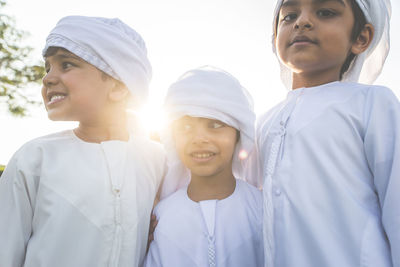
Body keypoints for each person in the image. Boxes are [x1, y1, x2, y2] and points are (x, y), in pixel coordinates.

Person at [0, 16, 165, 267]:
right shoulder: (34, 158)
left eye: (66, 65)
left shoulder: (157, 160)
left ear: (119, 87)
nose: (47, 78)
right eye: (48, 67)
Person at [253, 0, 399, 266]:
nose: (302, 22)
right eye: (289, 16)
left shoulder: (372, 104)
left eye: (326, 12)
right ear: (274, 36)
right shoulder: (263, 123)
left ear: (361, 37)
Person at [144, 66, 264, 266]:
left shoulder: (263, 209)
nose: (199, 139)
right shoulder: (161, 218)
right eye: (186, 127)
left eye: (215, 125)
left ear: (238, 135)